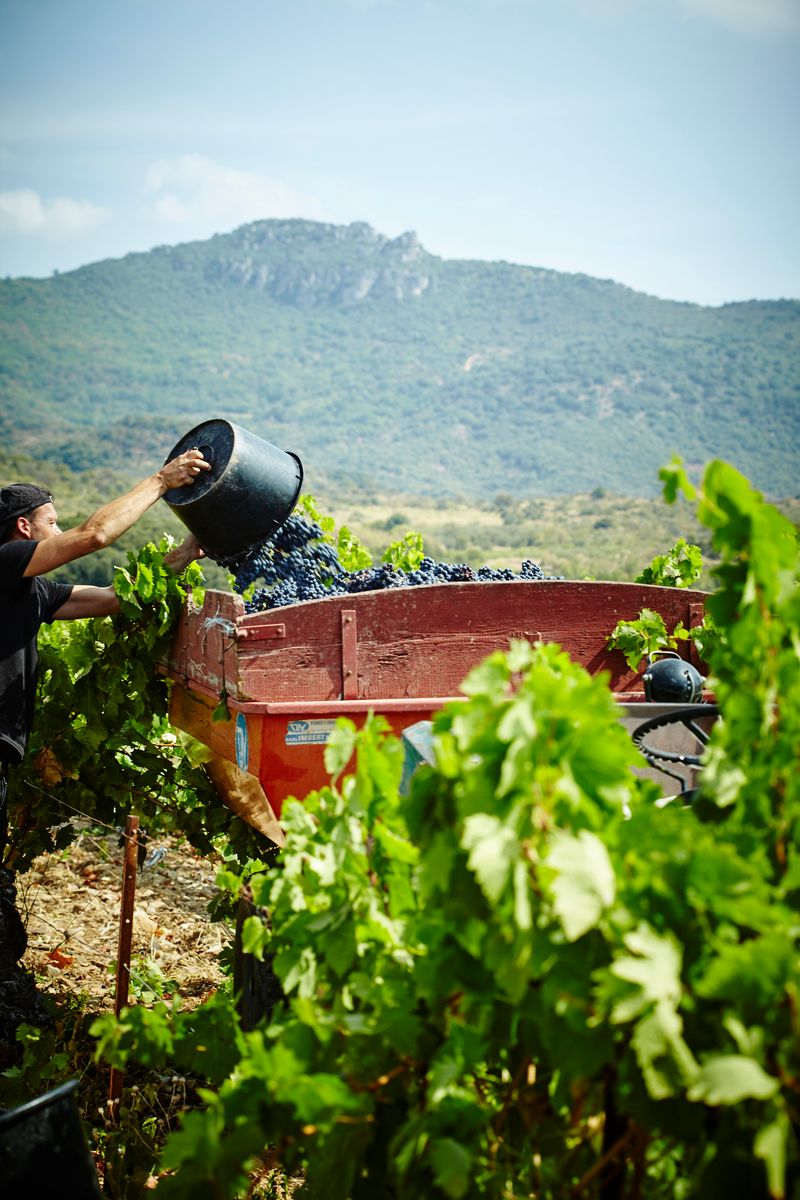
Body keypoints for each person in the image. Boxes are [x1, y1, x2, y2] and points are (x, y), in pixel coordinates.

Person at [0, 448, 211, 853]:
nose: (59, 530)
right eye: (52, 521)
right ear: (24, 527)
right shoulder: (2, 561)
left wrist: (183, 557)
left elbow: (114, 598)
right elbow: (94, 535)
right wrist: (161, 481)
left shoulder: (34, 592)